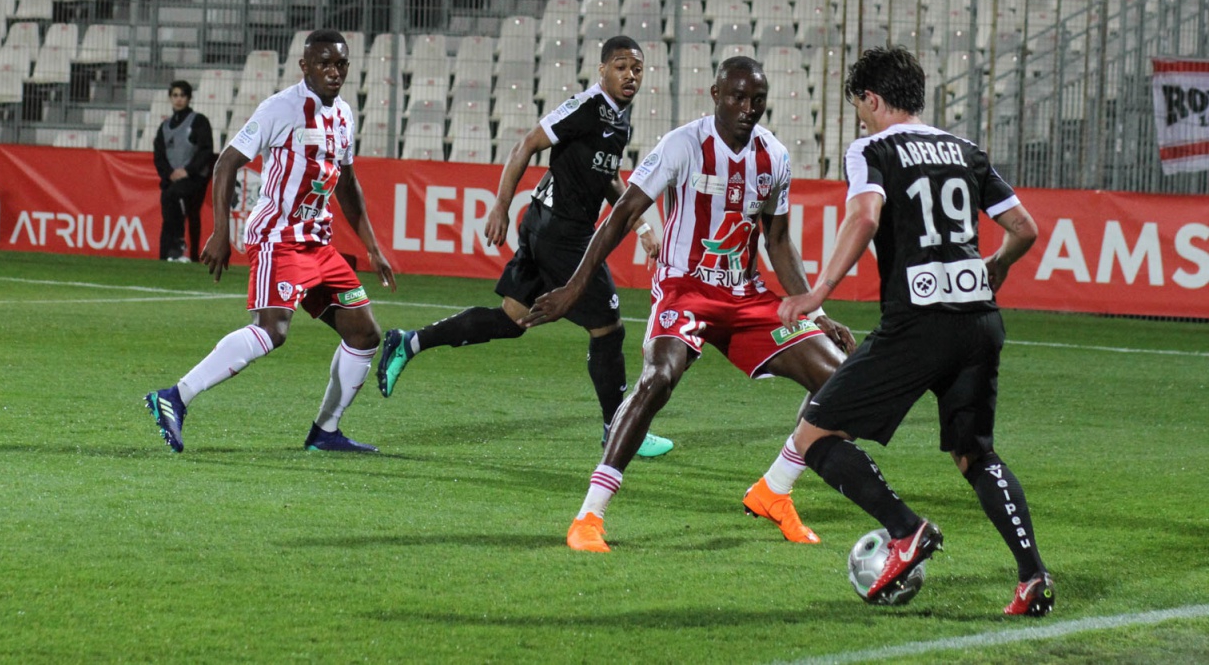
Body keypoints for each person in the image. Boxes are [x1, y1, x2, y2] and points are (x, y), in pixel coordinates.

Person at [523, 56, 856, 552]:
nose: (748, 108)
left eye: (757, 100)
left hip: (746, 297)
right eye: (737, 97)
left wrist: (816, 313)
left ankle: (774, 489)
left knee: (843, 382)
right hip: (686, 289)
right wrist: (574, 287)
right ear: (716, 94)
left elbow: (777, 240)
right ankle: (589, 516)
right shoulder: (683, 144)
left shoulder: (775, 156)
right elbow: (622, 214)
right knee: (658, 378)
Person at [777, 46, 1053, 615]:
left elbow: (865, 216)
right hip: (980, 320)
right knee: (975, 455)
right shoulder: (966, 150)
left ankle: (905, 530)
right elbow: (1024, 228)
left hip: (918, 322)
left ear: (872, 99)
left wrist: (819, 291)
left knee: (813, 436)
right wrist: (998, 264)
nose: (861, 119)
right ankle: (1033, 578)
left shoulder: (872, 149)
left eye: (860, 107)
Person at [375, 36, 676, 456]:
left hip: (547, 225)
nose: (630, 75)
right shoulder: (585, 106)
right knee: (609, 328)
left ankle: (409, 342)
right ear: (602, 70)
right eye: (621, 67)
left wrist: (641, 225)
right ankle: (620, 429)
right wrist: (500, 205)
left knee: (512, 318)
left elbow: (608, 176)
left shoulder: (620, 118)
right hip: (561, 232)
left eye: (637, 69)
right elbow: (526, 145)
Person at [144, 29, 396, 453]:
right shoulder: (281, 108)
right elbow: (226, 163)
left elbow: (347, 183)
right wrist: (221, 232)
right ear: (305, 66)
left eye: (341, 64)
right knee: (272, 330)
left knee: (365, 333)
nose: (334, 72)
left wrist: (372, 245)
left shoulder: (344, 115)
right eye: (324, 63)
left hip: (319, 242)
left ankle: (325, 432)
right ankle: (175, 396)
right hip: (279, 237)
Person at [152, 79, 214, 262]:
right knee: (169, 205)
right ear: (170, 98)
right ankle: (166, 255)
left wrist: (187, 171)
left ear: (189, 98)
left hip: (194, 178)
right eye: (175, 95)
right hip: (173, 179)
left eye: (182, 95)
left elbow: (205, 150)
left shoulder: (198, 121)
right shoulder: (164, 127)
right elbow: (159, 156)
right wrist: (169, 174)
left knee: (179, 203)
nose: (178, 99)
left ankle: (181, 248)